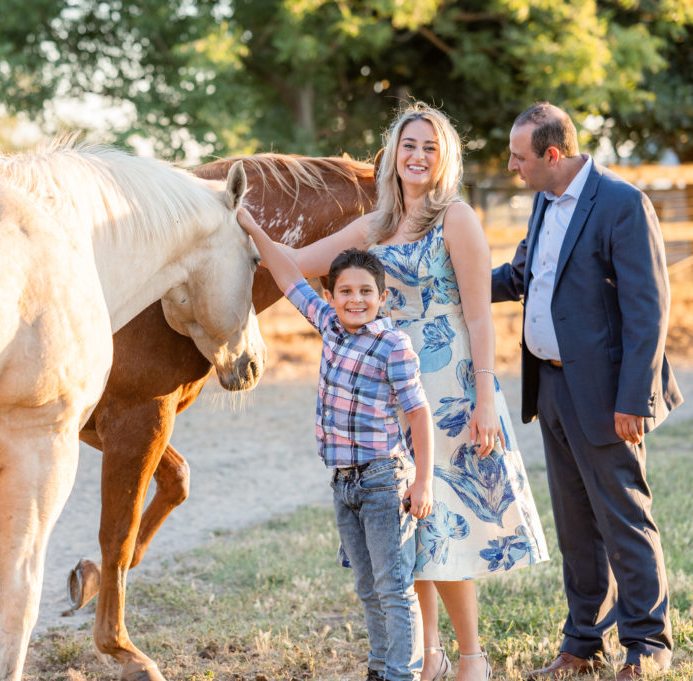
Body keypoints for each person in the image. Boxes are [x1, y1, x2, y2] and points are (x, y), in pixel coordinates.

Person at [289, 102, 549, 681]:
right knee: (413, 528)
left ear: (444, 158)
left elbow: (481, 318)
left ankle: (471, 659)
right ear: (393, 154)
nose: (418, 155)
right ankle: (425, 656)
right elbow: (300, 265)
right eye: (410, 145)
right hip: (393, 395)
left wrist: (485, 398)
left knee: (451, 522)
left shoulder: (455, 219)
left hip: (452, 388)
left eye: (430, 147)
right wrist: (235, 227)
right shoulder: (375, 226)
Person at [491, 102, 682, 681]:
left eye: (519, 157)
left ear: (553, 154)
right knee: (575, 521)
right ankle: (582, 643)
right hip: (550, 385)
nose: (511, 167)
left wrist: (634, 400)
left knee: (623, 516)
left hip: (605, 395)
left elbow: (648, 309)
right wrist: (457, 282)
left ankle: (647, 645)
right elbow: (525, 277)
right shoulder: (544, 203)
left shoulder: (622, 203)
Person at [238, 207, 434, 681]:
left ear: (383, 298)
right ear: (330, 295)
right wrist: (252, 226)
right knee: (367, 587)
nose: (355, 299)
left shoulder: (393, 345)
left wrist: (423, 482)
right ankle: (379, 667)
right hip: (343, 482)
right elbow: (287, 276)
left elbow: (418, 414)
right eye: (345, 291)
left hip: (385, 481)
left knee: (393, 586)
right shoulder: (327, 324)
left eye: (366, 292)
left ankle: (401, 674)